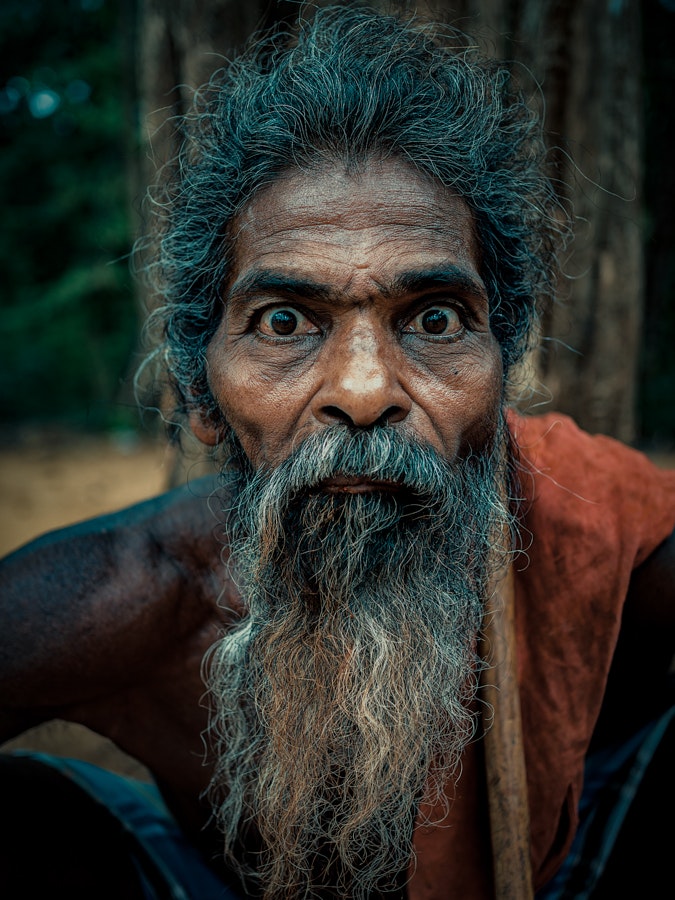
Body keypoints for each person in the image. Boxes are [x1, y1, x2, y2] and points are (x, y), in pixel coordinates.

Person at [1, 6, 674, 899]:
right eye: (284, 322)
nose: (363, 391)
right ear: (202, 398)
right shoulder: (121, 606)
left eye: (435, 319)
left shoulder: (582, 532)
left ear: (499, 381)